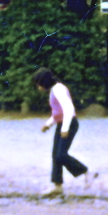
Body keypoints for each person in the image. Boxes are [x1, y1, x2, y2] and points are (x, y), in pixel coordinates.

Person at [33, 67, 89, 198]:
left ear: (44, 82)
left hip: (69, 124)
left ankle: (86, 171)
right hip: (62, 123)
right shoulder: (54, 90)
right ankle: (57, 186)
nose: (38, 87)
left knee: (61, 155)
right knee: (55, 154)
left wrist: (65, 129)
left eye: (38, 84)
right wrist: (48, 124)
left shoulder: (58, 89)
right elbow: (58, 113)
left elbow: (69, 109)